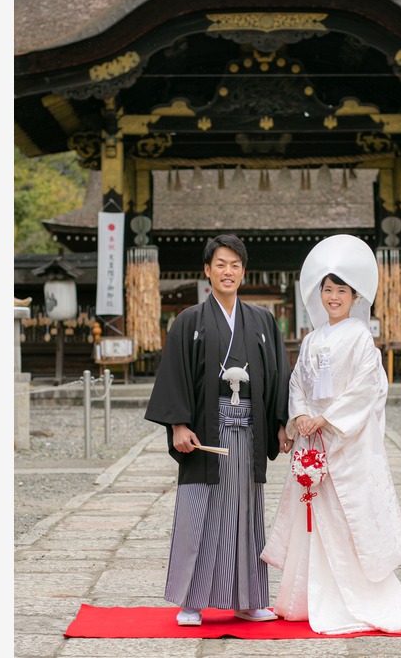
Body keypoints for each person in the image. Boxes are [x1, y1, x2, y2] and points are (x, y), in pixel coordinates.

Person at [260, 234, 401, 635]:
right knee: (314, 517)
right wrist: (300, 414)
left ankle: (346, 599)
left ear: (354, 297)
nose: (333, 297)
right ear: (319, 294)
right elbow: (297, 384)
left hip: (343, 442)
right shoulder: (311, 339)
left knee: (344, 518)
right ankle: (306, 598)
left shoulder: (360, 337)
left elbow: (366, 388)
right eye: (328, 290)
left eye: (341, 291)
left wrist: (326, 419)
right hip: (313, 440)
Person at [144, 234, 291, 627]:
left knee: (246, 513)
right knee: (199, 511)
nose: (228, 272)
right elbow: (175, 374)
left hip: (249, 430)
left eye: (235, 265)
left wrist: (281, 424)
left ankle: (249, 599)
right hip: (206, 432)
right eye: (220, 264)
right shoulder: (189, 320)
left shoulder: (262, 321)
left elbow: (278, 374)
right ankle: (191, 602)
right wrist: (178, 424)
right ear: (207, 271)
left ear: (243, 272)